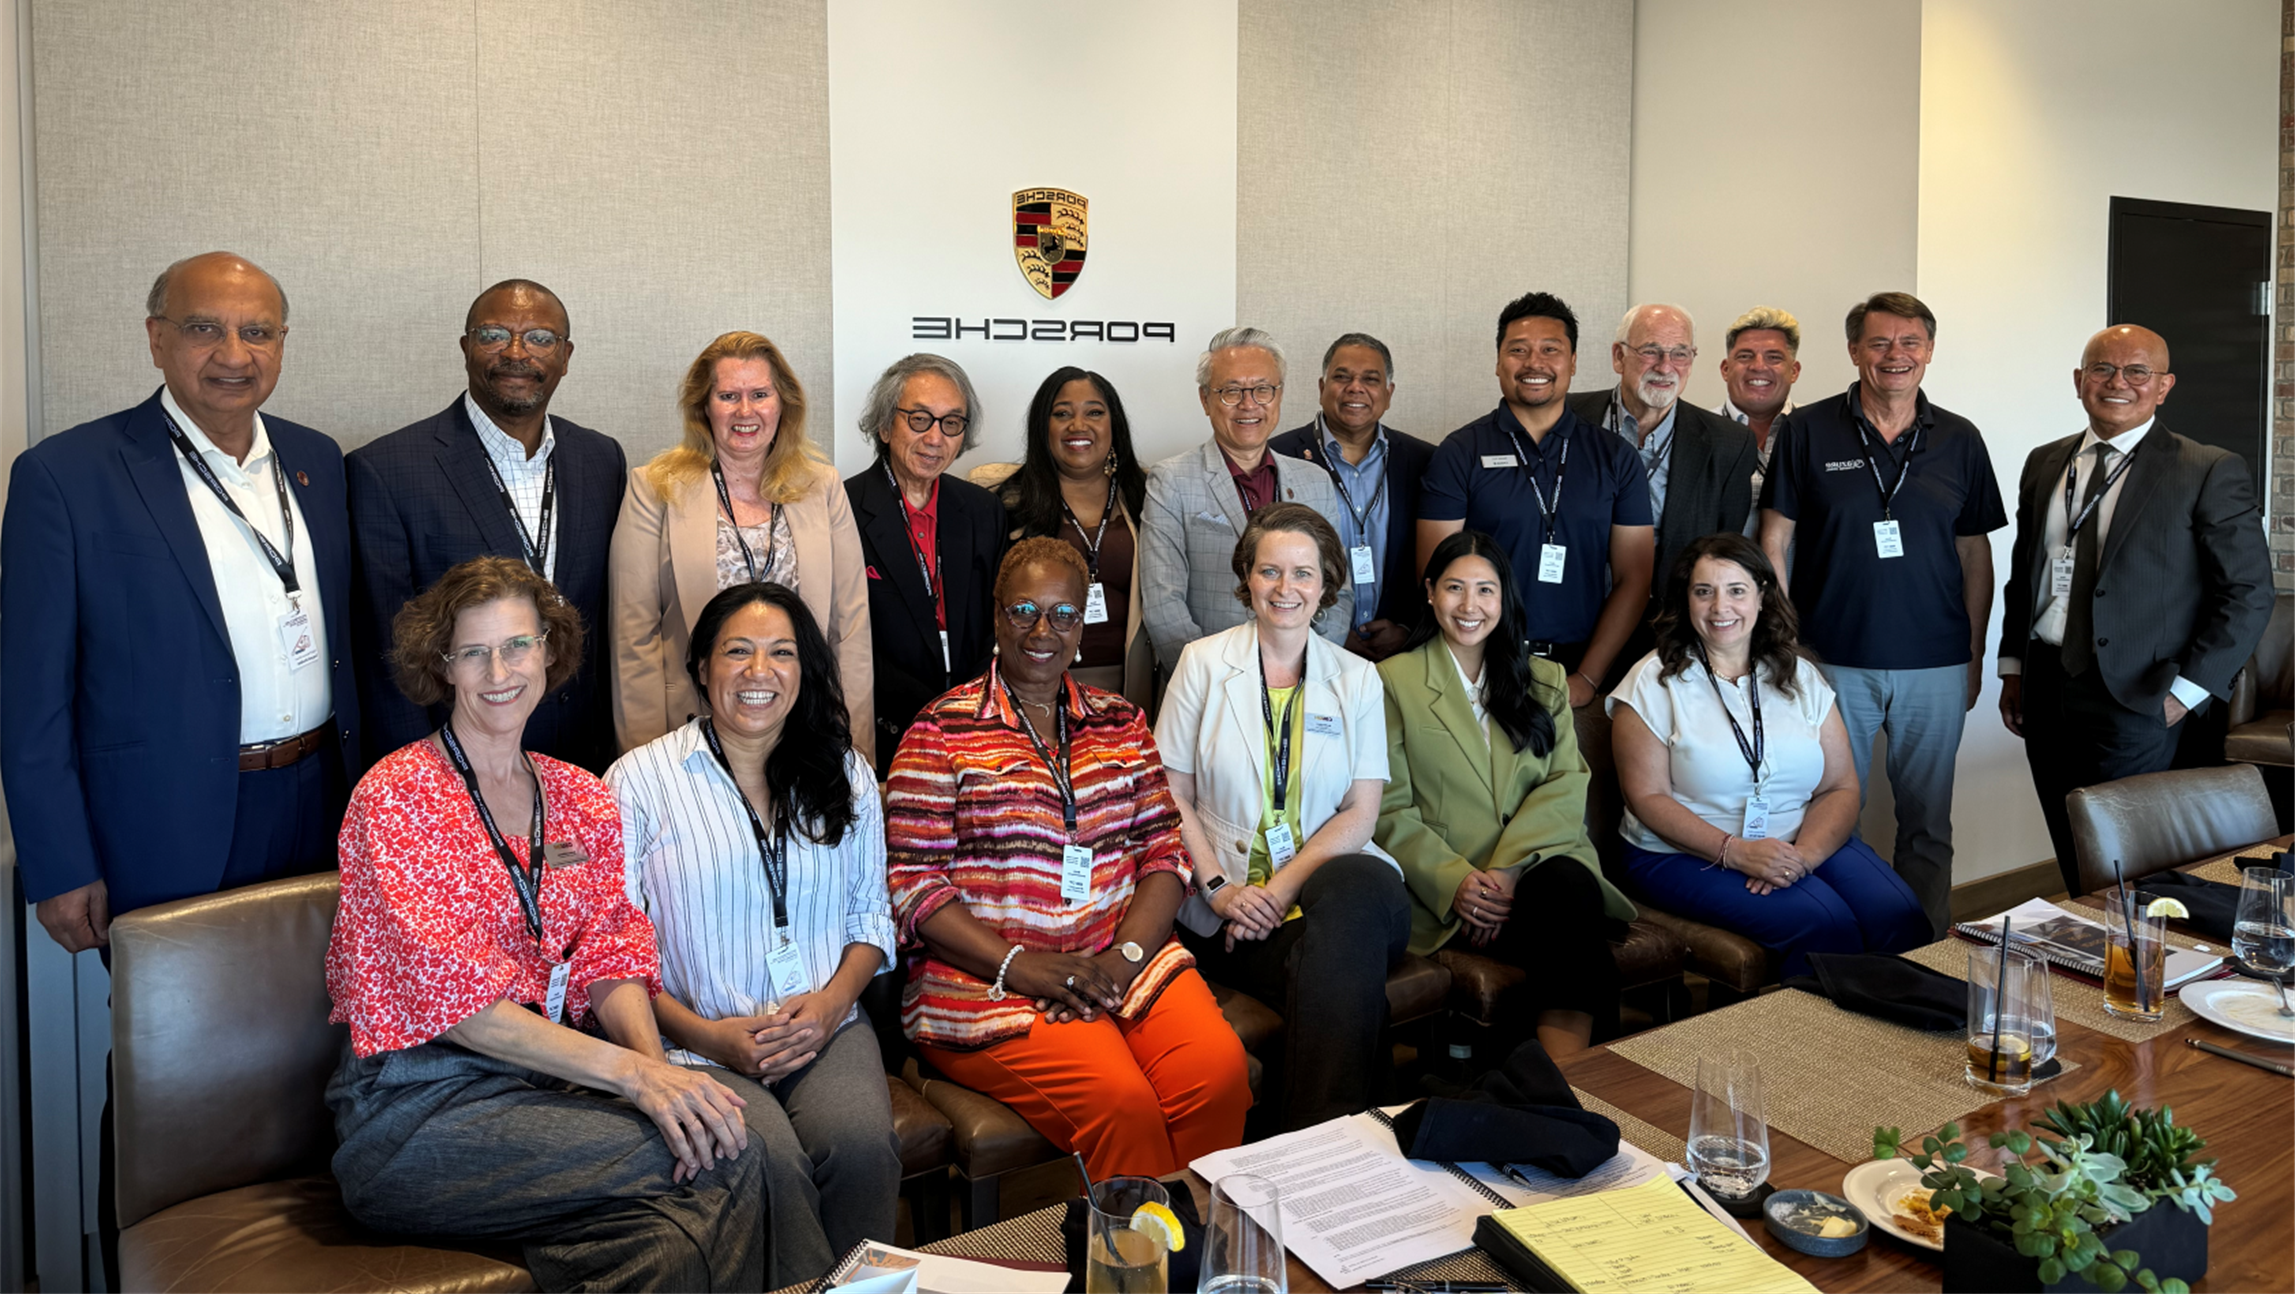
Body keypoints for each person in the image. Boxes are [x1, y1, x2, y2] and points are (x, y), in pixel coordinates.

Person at [325, 556, 764, 1292]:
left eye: (518, 645)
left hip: (545, 1094)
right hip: (413, 1111)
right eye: (474, 651)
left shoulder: (581, 797)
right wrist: (636, 1080)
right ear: (444, 665)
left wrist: (656, 1072)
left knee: (671, 1241)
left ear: (550, 651)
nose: (500, 669)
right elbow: (460, 1010)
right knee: (724, 1150)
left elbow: (609, 956)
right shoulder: (395, 798)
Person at [2, 251, 360, 949]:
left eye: (257, 332)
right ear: (156, 338)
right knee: (181, 1044)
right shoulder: (65, 476)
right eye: (204, 329)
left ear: (282, 343)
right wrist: (58, 861)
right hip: (163, 822)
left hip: (321, 801)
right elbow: (30, 696)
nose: (234, 355)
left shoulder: (317, 460)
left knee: (325, 1033)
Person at [885, 539, 1250, 1178]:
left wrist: (1124, 959)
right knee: (1121, 1103)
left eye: (1062, 614)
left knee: (1218, 1076)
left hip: (1124, 961)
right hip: (987, 983)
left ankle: (1199, 1260)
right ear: (997, 617)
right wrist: (1022, 967)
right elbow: (913, 888)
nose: (1042, 630)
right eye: (1024, 610)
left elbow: (1165, 852)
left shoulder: (1121, 723)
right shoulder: (938, 731)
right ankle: (1134, 1271)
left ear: (1083, 625)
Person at [611, 582, 900, 1282]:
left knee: (860, 1145)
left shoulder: (846, 773)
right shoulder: (638, 782)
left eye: (781, 653)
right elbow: (613, 953)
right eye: (737, 652)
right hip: (695, 1040)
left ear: (805, 670)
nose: (758, 673)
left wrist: (830, 1007)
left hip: (822, 1026)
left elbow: (871, 918)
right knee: (764, 1160)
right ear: (702, 664)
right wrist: (706, 1036)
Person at [1758, 292, 2004, 936]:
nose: (1896, 356)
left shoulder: (1960, 438)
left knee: (1928, 822)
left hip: (1937, 663)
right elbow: (1774, 540)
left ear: (1928, 351)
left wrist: (1975, 654)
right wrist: (1786, 646)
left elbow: (1975, 554)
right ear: (1853, 351)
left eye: (1910, 343)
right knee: (1832, 812)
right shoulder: (1807, 429)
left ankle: (1925, 944)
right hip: (1831, 659)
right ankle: (1849, 944)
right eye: (1879, 343)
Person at [1157, 504, 1407, 1129]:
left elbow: (1361, 811)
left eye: (1303, 573)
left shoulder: (1358, 679)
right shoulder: (1203, 663)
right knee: (1341, 970)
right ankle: (1334, 1137)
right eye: (1270, 571)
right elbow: (1169, 792)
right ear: (1247, 578)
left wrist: (1277, 892)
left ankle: (1305, 1144)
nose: (1285, 588)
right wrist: (1220, 892)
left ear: (1326, 586)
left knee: (1359, 889)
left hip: (1323, 888)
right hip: (1228, 904)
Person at [1999, 325, 2273, 894]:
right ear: (2079, 381)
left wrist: (2187, 694)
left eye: (2136, 372)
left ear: (2164, 386)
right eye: (2102, 369)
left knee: (2133, 858)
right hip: (2047, 683)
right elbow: (2026, 573)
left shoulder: (2206, 468)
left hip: (2141, 694)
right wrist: (2014, 669)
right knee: (2070, 835)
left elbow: (2248, 592)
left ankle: (2143, 965)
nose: (2117, 383)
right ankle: (2087, 954)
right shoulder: (2045, 462)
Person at [1608, 534, 1928, 978]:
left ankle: (1899, 1042)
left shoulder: (1800, 674)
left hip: (1799, 840)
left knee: (1899, 914)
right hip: (1678, 853)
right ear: (1686, 600)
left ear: (1762, 595)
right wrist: (1736, 853)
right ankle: (1815, 1047)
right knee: (1822, 925)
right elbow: (1647, 798)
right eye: (1704, 592)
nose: (1721, 607)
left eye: (1736, 590)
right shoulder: (1651, 681)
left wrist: (1805, 858)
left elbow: (1839, 785)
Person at [1375, 531, 1638, 1059]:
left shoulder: (1544, 680)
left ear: (1504, 597)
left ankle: (1561, 1083)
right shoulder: (1389, 681)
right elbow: (1387, 809)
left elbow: (1566, 783)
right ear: (1429, 592)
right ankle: (1579, 1089)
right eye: (1454, 588)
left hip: (1539, 871)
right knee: (1575, 937)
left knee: (1566, 892)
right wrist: (1461, 884)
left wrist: (1508, 871)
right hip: (1452, 891)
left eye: (1485, 590)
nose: (1470, 606)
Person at [348, 279, 625, 772]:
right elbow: (386, 658)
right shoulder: (385, 470)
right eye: (494, 334)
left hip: (584, 758)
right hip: (455, 767)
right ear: (465, 347)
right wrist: (421, 784)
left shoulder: (602, 459)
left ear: (565, 355)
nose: (516, 352)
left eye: (539, 338)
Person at [609, 331, 873, 758]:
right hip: (691, 731)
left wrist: (855, 754)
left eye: (760, 394)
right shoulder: (654, 487)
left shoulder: (822, 486)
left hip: (805, 727)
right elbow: (634, 636)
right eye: (729, 395)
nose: (745, 411)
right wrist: (644, 762)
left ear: (783, 402)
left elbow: (851, 629)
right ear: (704, 407)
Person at [1419, 292, 1653, 708]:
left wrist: (1587, 678)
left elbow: (1633, 578)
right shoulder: (1460, 452)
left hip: (1578, 672)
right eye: (1518, 350)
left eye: (1551, 350)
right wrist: (1477, 671)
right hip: (1479, 672)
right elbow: (1436, 574)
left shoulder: (1616, 457)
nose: (1534, 363)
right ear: (1497, 362)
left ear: (1573, 362)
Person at [1141, 327, 1354, 670]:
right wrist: (1211, 682)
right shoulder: (1171, 480)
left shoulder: (1315, 482)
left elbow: (1338, 592)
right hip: (1207, 689)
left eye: (1263, 389)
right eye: (1231, 391)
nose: (1249, 404)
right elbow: (1163, 605)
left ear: (1280, 395)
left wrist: (1310, 670)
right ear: (1205, 399)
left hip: (1303, 682)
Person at [1567, 304, 1756, 686]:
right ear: (1619, 356)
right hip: (1571, 620)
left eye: (1680, 353)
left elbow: (1722, 549)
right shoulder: (1565, 417)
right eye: (1651, 350)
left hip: (1671, 634)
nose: (1666, 365)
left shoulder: (1729, 444)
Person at [845, 354, 1008, 775]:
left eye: (951, 423)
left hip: (976, 725)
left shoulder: (982, 508)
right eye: (919, 419)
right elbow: (839, 634)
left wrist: (967, 704)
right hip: (883, 729)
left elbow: (999, 614)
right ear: (884, 425)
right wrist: (929, 712)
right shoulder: (842, 509)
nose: (935, 438)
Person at [1269, 332, 1437, 662]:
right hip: (1305, 650)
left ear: (1388, 394)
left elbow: (1442, 563)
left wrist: (1409, 628)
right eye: (1342, 377)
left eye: (1370, 379)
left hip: (1402, 656)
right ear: (1321, 388)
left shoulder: (1425, 462)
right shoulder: (1278, 456)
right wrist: (1329, 630)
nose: (1355, 387)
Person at [996, 366, 1153, 703]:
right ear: (1043, 427)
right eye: (1062, 413)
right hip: (1037, 685)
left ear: (1115, 425)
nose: (1078, 425)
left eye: (1094, 412)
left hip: (1133, 685)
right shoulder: (1008, 506)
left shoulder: (1149, 497)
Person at [1716, 306, 1803, 526]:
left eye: (1774, 357)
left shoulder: (1819, 433)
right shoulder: (1695, 434)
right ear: (1726, 369)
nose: (1758, 366)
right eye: (1745, 356)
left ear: (1794, 371)